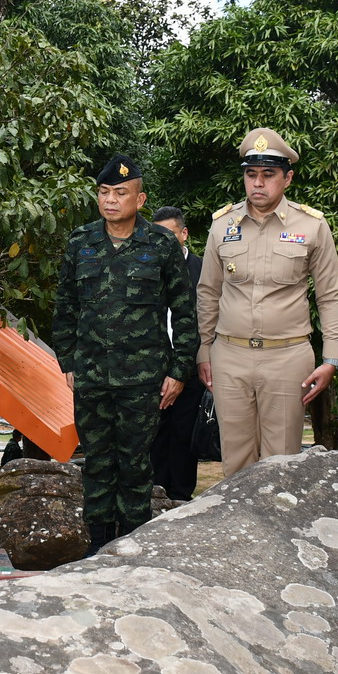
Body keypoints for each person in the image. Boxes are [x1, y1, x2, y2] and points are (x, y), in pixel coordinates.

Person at [52, 155, 197, 554]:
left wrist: (180, 370)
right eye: (104, 192)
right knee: (96, 462)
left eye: (120, 192)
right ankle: (96, 547)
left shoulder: (161, 244)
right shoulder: (81, 242)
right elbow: (64, 306)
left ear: (140, 198)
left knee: (135, 466)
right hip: (92, 375)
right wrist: (67, 361)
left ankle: (132, 548)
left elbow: (185, 311)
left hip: (143, 377)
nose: (111, 200)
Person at [196, 128, 338, 475]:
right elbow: (208, 292)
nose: (258, 183)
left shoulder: (312, 226)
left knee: (282, 462)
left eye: (268, 175)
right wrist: (204, 350)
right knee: (235, 459)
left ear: (287, 178)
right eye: (251, 175)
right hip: (230, 356)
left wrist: (332, 358)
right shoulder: (222, 225)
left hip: (287, 357)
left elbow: (330, 294)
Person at [148, 206, 202, 500]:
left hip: (191, 367)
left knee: (184, 437)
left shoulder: (203, 270)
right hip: (152, 367)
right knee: (154, 437)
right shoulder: (145, 270)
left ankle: (181, 498)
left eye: (169, 234)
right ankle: (154, 499)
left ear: (183, 234)